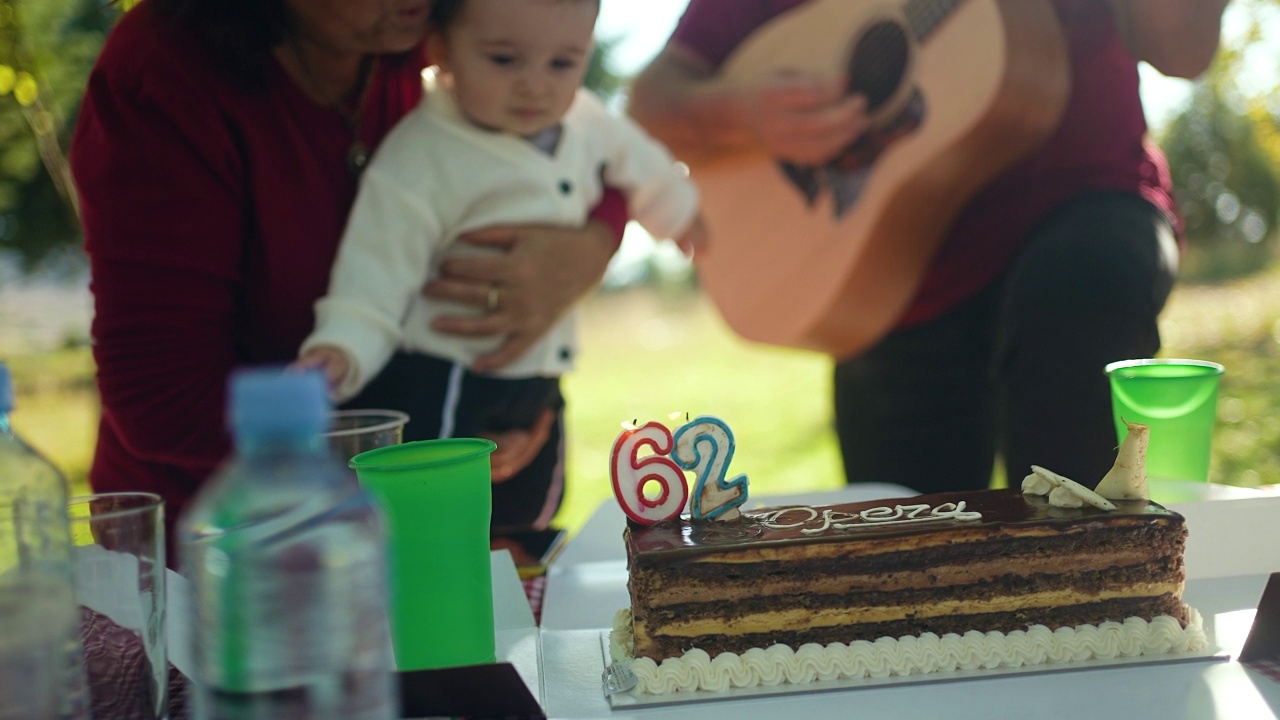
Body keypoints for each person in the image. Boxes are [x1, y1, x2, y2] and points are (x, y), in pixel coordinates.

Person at [70, 0, 628, 552]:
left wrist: (590, 247)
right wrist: (428, 445)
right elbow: (162, 398)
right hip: (224, 555)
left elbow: (586, 145)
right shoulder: (163, 72)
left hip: (427, 530)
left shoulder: (432, 38)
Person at [629, 0, 1227, 494]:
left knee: (1079, 283)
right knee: (911, 584)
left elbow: (1184, 49)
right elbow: (654, 98)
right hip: (887, 281)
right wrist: (744, 113)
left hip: (1084, 206)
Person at [294, 0, 702, 533]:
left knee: (533, 502)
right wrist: (341, 349)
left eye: (562, 63)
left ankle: (525, 571)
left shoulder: (586, 121)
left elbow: (647, 169)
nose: (535, 85)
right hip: (444, 373)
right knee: (440, 513)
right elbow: (375, 273)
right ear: (442, 50)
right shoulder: (420, 155)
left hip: (538, 371)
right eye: (505, 60)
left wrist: (685, 216)